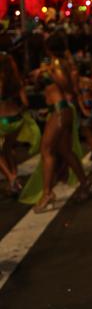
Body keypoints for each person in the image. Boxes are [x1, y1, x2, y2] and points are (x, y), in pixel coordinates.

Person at [19, 30, 92, 211]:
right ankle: (85, 185)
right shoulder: (58, 62)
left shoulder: (57, 64)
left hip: (60, 111)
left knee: (46, 150)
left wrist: (48, 73)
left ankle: (47, 193)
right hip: (61, 110)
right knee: (66, 152)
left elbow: (66, 85)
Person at [0, 39, 40, 197]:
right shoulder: (16, 80)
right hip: (16, 119)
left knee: (2, 153)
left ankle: (11, 178)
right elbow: (25, 102)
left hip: (2, 121)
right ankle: (15, 179)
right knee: (8, 150)